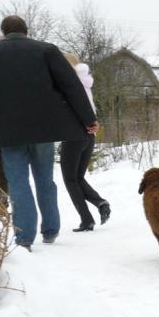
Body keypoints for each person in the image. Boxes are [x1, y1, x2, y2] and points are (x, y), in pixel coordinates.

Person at [0, 15, 97, 251]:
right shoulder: (46, 51)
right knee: (45, 180)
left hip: (8, 132)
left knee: (18, 183)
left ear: (3, 33)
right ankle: (51, 230)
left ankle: (25, 238)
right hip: (44, 130)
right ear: (26, 31)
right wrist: (89, 119)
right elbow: (71, 86)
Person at [60, 52, 110, 231]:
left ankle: (87, 219)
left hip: (74, 134)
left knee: (70, 179)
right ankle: (101, 203)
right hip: (90, 135)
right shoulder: (85, 82)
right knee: (78, 177)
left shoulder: (68, 83)